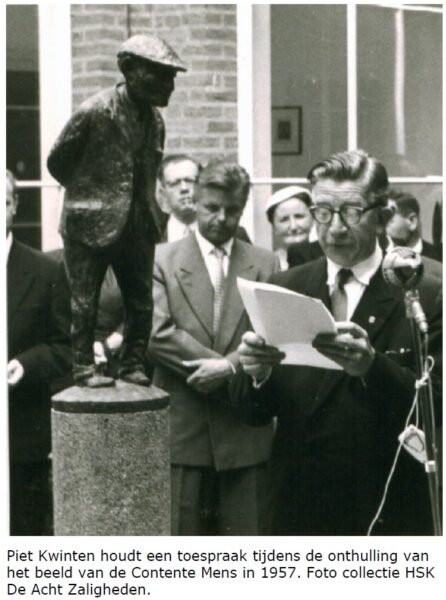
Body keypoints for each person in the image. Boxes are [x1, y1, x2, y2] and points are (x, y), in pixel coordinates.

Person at [229, 150, 442, 535]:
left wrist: (372, 368)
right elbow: (252, 412)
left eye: (352, 212)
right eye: (323, 212)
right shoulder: (284, 286)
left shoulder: (425, 293)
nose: (335, 228)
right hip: (300, 511)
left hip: (389, 514)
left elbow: (438, 406)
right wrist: (254, 374)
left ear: (383, 214)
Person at [47, 34, 186, 388]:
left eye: (172, 76)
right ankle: (83, 368)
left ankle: (132, 364)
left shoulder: (155, 121)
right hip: (89, 222)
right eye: (160, 74)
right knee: (84, 302)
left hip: (137, 223)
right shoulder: (95, 111)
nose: (169, 85)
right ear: (129, 69)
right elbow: (58, 161)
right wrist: (93, 195)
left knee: (140, 302)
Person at [148, 160, 278, 535]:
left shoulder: (265, 263)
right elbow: (157, 333)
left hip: (244, 431)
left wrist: (229, 368)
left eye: (232, 210)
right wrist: (224, 365)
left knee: (247, 552)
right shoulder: (162, 259)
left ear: (243, 207)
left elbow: (269, 332)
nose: (221, 218)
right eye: (211, 208)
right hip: (182, 427)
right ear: (195, 201)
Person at [7, 170, 72, 535]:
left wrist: (24, 365)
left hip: (21, 440)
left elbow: (64, 347)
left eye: (1, 203)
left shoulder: (45, 270)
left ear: (14, 206)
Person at [158, 153, 251, 244]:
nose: (184, 188)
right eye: (175, 183)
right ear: (163, 192)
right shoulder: (152, 237)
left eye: (190, 181)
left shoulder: (237, 235)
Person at [265, 186, 314, 270]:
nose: (293, 226)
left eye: (299, 216)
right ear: (274, 227)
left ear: (313, 219)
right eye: (284, 220)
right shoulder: (269, 265)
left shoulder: (328, 258)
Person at [386, 189, 442, 262]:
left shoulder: (440, 260)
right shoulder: (376, 260)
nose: (379, 228)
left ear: (412, 221)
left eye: (386, 219)